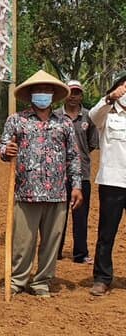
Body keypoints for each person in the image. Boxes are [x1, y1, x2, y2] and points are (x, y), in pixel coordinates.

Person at [0, 70, 82, 298]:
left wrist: (76, 186)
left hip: (57, 193)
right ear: (31, 94)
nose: (42, 94)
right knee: (23, 242)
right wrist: (7, 150)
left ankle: (42, 281)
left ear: (53, 95)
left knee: (51, 242)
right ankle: (18, 279)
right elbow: (3, 148)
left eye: (46, 90)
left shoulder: (64, 123)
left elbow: (73, 157)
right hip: (26, 192)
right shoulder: (16, 120)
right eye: (38, 90)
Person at [88, 71, 126, 296]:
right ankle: (102, 278)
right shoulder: (107, 115)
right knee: (106, 233)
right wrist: (110, 98)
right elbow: (92, 116)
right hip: (112, 182)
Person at [55, 80, 98, 263]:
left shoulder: (89, 117)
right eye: (70, 92)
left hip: (82, 173)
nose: (73, 96)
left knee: (80, 215)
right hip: (58, 174)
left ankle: (80, 254)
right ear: (65, 94)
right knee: (58, 215)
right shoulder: (56, 116)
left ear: (82, 95)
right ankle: (54, 251)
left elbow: (92, 144)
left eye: (77, 92)